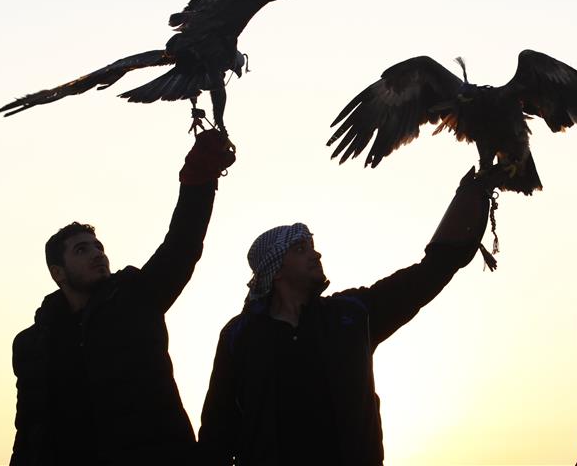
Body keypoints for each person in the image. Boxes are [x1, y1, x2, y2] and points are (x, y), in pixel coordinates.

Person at [197, 166, 503, 465]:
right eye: (300, 249)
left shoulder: (350, 316)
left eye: (313, 246)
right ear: (274, 270)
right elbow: (217, 432)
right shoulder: (241, 336)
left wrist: (474, 196)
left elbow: (426, 276)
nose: (315, 254)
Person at [11, 129, 236, 466]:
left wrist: (199, 180)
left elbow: (182, 245)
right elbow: (30, 426)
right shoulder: (33, 343)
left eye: (99, 247)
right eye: (82, 250)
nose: (97, 255)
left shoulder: (136, 299)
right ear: (59, 273)